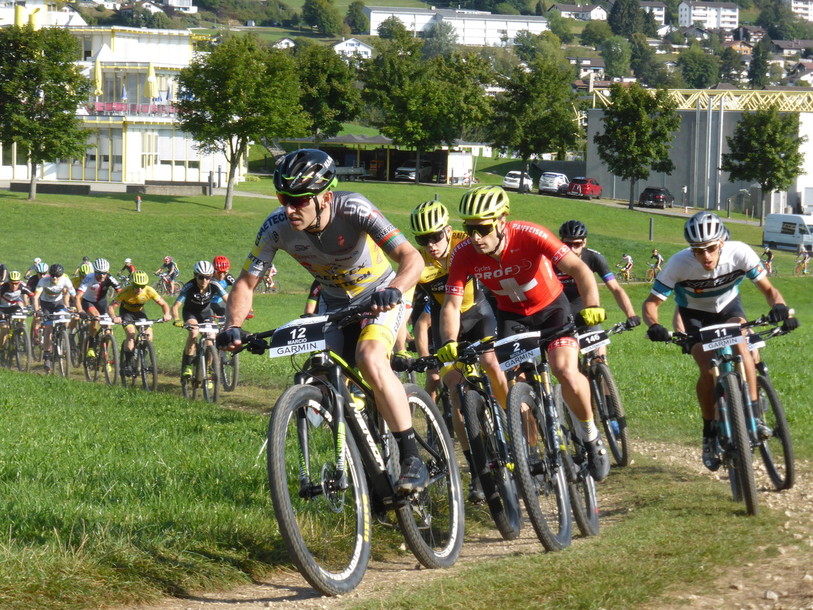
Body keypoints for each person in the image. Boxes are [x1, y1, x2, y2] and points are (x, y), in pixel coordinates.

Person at [216, 148, 426, 493]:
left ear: (326, 197)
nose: (289, 208)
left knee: (370, 357)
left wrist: (396, 288)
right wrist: (232, 326)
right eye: (284, 198)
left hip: (380, 293)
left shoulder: (354, 208)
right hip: (333, 303)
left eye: (299, 200)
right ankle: (363, 462)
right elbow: (245, 282)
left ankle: (411, 456)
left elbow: (411, 258)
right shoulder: (276, 227)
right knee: (320, 371)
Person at [437, 185, 611, 482]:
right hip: (513, 319)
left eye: (483, 228)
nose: (476, 237)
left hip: (552, 310)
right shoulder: (464, 253)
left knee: (564, 370)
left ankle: (591, 437)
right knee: (511, 387)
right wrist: (450, 342)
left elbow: (580, 270)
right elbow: (451, 305)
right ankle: (529, 450)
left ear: (502, 221)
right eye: (469, 229)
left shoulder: (530, 234)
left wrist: (592, 305)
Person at [643, 212, 798, 471]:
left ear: (722, 243)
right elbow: (651, 303)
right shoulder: (678, 264)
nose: (705, 256)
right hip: (695, 316)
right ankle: (710, 431)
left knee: (740, 341)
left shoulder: (740, 253)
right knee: (707, 368)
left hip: (728, 308)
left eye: (711, 248)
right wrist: (654, 325)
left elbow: (770, 291)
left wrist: (780, 306)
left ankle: (753, 415)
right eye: (698, 250)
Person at [410, 199, 508, 502]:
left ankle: (510, 421)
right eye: (422, 239)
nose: (431, 245)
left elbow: (496, 248)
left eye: (436, 237)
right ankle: (478, 471)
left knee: (491, 363)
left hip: (479, 314)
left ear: (448, 231)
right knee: (455, 392)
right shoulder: (416, 262)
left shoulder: (465, 243)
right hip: (445, 323)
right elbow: (411, 311)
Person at [556, 220, 640, 357]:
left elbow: (615, 289)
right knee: (569, 364)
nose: (571, 249)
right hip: (560, 312)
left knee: (599, 356)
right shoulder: (551, 259)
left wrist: (631, 314)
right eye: (567, 244)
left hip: (586, 309)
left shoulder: (594, 257)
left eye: (576, 244)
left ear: (584, 242)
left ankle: (601, 371)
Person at [108, 270, 172, 376]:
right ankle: (127, 363)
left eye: (142, 286)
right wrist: (114, 317)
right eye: (137, 286)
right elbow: (111, 307)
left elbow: (164, 304)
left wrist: (167, 314)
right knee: (131, 333)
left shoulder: (149, 290)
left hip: (139, 312)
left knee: (149, 335)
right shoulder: (126, 291)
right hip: (126, 313)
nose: (139, 289)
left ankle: (141, 355)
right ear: (132, 284)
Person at [172, 260, 228, 378]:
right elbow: (176, 306)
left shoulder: (214, 285)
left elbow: (229, 300)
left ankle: (207, 368)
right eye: (201, 277)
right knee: (194, 333)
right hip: (190, 313)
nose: (204, 281)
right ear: (195, 276)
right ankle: (187, 365)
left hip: (206, 314)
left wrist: (236, 313)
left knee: (211, 338)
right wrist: (177, 319)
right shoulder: (189, 287)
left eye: (208, 277)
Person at [33, 264, 76, 372]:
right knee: (48, 329)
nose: (55, 278)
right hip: (46, 304)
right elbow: (36, 297)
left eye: (57, 276)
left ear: (61, 275)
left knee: (65, 319)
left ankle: (62, 336)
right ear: (50, 274)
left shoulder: (65, 280)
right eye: (53, 275)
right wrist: (37, 310)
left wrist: (77, 308)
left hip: (58, 303)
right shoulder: (43, 281)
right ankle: (47, 356)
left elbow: (74, 296)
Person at [75, 258, 121, 359]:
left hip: (102, 304)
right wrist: (80, 310)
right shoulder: (89, 278)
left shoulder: (110, 278)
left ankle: (104, 358)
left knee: (108, 330)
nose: (102, 276)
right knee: (95, 317)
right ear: (95, 271)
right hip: (88, 302)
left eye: (104, 273)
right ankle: (91, 347)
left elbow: (121, 293)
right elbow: (78, 296)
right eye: (99, 273)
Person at [0, 271, 33, 351]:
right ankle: (1, 348)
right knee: (5, 328)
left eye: (16, 283)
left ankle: (21, 331)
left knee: (22, 311)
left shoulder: (22, 286)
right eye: (12, 283)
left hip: (14, 306)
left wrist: (35, 308)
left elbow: (33, 296)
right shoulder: (3, 288)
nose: (14, 285)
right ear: (9, 282)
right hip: (2, 308)